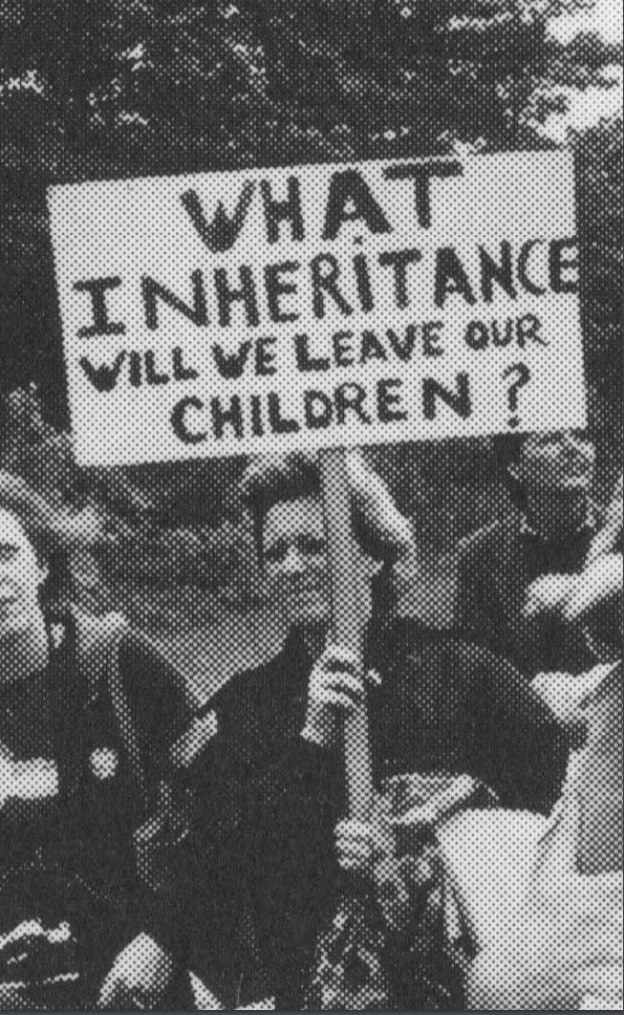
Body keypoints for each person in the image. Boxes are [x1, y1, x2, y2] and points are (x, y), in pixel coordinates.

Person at [102, 450, 570, 1010]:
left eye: (314, 545)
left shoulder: (462, 673)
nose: (292, 566)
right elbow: (226, 859)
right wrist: (313, 738)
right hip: (309, 987)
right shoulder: (245, 705)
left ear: (371, 556)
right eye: (275, 553)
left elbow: (553, 807)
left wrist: (419, 835)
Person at [0, 469, 196, 1011]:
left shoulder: (120, 661)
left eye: (6, 552)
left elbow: (220, 818)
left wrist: (164, 938)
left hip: (137, 992)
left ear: (39, 564)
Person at [439, 540, 622, 1010]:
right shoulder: (599, 691)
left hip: (598, 936)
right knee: (465, 834)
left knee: (495, 986)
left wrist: (584, 585)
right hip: (571, 898)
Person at [454, 428, 604, 678]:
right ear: (516, 466)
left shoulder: (616, 538)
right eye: (551, 439)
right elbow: (475, 667)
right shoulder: (479, 553)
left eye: (582, 437)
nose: (572, 448)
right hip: (518, 711)